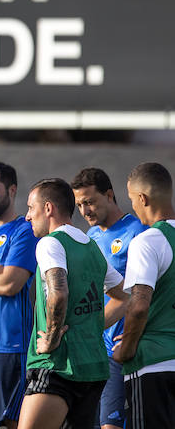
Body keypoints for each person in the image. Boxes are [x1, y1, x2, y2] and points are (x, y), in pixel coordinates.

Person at [18, 179, 130, 429]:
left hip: (58, 364)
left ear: (48, 208)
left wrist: (52, 336)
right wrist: (89, 327)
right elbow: (125, 295)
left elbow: (58, 292)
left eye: (30, 208)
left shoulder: (50, 243)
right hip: (93, 366)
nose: (27, 217)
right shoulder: (90, 244)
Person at [71, 167, 146, 429]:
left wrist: (136, 334)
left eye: (90, 202)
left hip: (121, 348)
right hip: (93, 348)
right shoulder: (90, 237)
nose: (84, 211)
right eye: (79, 204)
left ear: (110, 195)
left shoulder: (137, 232)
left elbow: (150, 291)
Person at [0, 162, 40, 429]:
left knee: (10, 423)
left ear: (12, 190)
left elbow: (10, 285)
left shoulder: (23, 230)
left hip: (11, 346)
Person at [113, 162, 175, 428]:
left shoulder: (147, 241)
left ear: (143, 198)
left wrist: (125, 349)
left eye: (131, 199)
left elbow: (138, 306)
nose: (132, 207)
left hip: (152, 365)